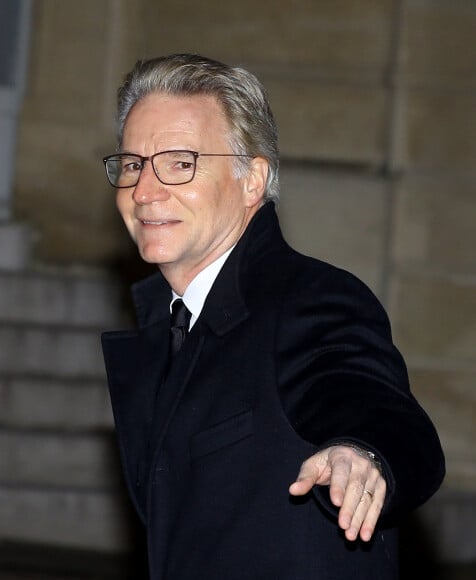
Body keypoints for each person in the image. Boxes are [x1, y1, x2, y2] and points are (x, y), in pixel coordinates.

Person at [100, 53, 445, 580]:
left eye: (179, 162)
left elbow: (374, 403)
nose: (144, 191)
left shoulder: (309, 300)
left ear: (251, 181)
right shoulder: (172, 322)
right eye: (132, 164)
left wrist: (363, 453)